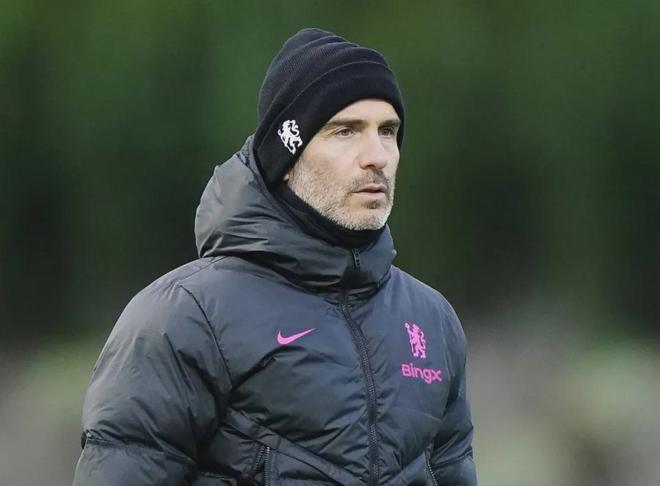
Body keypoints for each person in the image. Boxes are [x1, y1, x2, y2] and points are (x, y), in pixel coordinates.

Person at [73, 28, 477, 486]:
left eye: (388, 131)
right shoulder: (184, 317)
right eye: (345, 131)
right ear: (287, 156)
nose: (377, 157)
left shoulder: (432, 320)